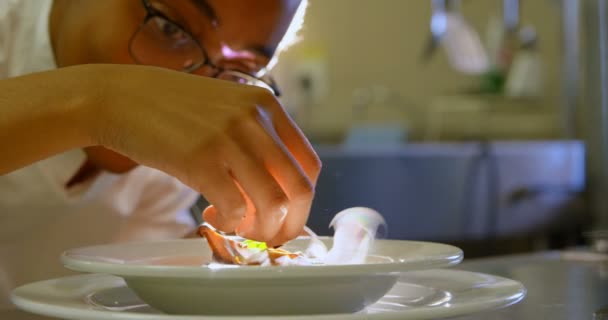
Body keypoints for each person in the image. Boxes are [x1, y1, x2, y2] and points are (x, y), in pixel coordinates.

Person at [0, 0, 320, 317]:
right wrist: (99, 101)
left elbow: (118, 292)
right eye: (168, 28)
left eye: (243, 68)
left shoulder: (179, 163)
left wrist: (201, 275)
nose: (194, 90)